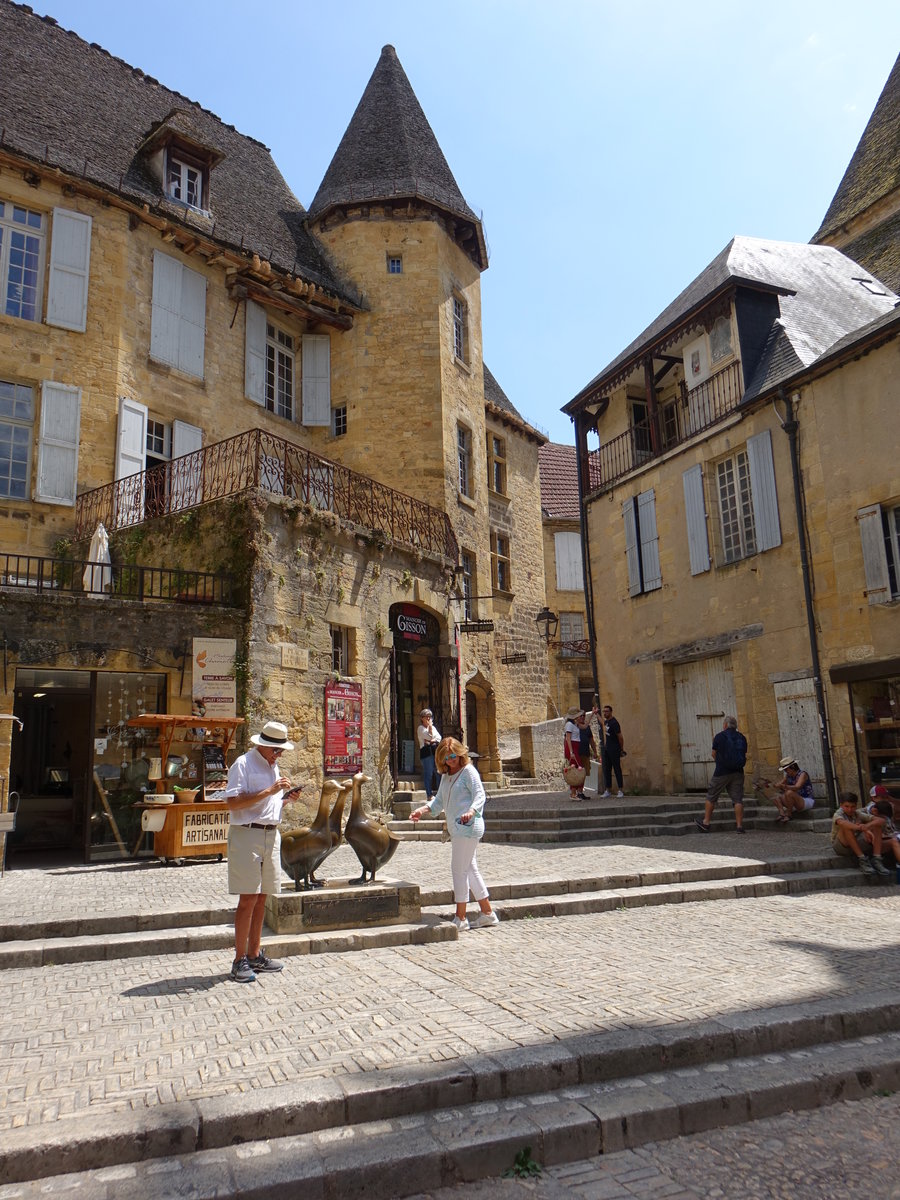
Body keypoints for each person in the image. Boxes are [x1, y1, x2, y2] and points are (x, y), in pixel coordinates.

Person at [223, 720, 296, 982]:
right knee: (248, 900)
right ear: (263, 745)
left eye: (281, 751)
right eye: (276, 750)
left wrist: (284, 800)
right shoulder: (243, 764)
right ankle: (239, 959)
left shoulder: (273, 767)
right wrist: (270, 791)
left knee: (263, 897)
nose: (279, 755)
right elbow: (232, 802)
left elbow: (266, 805)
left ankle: (254, 954)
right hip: (247, 835)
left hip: (269, 835)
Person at [409, 737, 499, 931]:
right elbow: (439, 801)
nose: (451, 760)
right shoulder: (446, 776)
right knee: (470, 869)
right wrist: (422, 810)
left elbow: (480, 795)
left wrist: (472, 811)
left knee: (459, 870)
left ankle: (461, 917)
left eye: (454, 756)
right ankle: (487, 913)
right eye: (446, 757)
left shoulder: (469, 772)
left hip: (467, 827)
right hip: (456, 828)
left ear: (460, 754)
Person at [694, 716, 748, 834]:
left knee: (711, 796)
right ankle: (739, 826)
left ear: (725, 725)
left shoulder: (719, 737)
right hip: (738, 772)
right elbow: (743, 753)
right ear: (735, 726)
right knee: (737, 799)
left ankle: (706, 822)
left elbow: (714, 753)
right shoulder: (742, 737)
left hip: (722, 772)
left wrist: (720, 762)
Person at [830, 791, 891, 877]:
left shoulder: (857, 813)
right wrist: (861, 828)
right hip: (841, 846)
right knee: (846, 827)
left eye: (853, 806)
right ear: (841, 805)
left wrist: (867, 826)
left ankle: (877, 858)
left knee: (876, 825)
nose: (850, 809)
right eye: (846, 806)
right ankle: (862, 859)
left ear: (856, 806)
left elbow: (881, 821)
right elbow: (842, 823)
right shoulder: (838, 814)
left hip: (855, 841)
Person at [774, 756, 815, 822]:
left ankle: (789, 814)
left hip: (806, 800)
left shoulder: (803, 774)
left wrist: (784, 786)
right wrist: (771, 784)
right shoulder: (788, 776)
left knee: (789, 793)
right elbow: (778, 785)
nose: (786, 771)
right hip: (794, 801)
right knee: (775, 796)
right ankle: (782, 814)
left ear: (792, 767)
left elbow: (797, 787)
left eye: (786, 769)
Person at [600, 703, 625, 798]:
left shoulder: (614, 723)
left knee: (617, 769)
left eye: (606, 711)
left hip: (614, 749)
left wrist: (621, 749)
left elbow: (620, 737)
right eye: (604, 711)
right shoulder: (607, 722)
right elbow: (602, 722)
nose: (605, 713)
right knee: (607, 770)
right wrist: (596, 713)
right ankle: (608, 790)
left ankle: (621, 790)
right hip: (607, 749)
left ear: (610, 712)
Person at [416, 708, 441, 802]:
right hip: (426, 753)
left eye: (430, 717)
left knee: (438, 772)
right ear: (422, 718)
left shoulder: (433, 728)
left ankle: (440, 793)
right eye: (426, 717)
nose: (428, 719)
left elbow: (438, 738)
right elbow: (429, 736)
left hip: (434, 751)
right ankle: (429, 794)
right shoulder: (421, 728)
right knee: (428, 773)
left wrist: (432, 740)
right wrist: (430, 730)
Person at [563, 707, 585, 800]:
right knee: (578, 769)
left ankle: (574, 793)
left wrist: (592, 715)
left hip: (575, 747)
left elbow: (585, 726)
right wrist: (571, 752)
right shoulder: (569, 724)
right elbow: (568, 738)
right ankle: (573, 793)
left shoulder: (575, 724)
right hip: (571, 748)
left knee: (576, 769)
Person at [577, 709, 599, 797]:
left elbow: (591, 741)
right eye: (581, 716)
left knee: (584, 773)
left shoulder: (587, 728)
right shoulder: (575, 726)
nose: (582, 717)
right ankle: (577, 791)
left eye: (583, 715)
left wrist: (595, 752)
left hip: (585, 753)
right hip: (577, 753)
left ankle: (580, 791)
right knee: (577, 773)